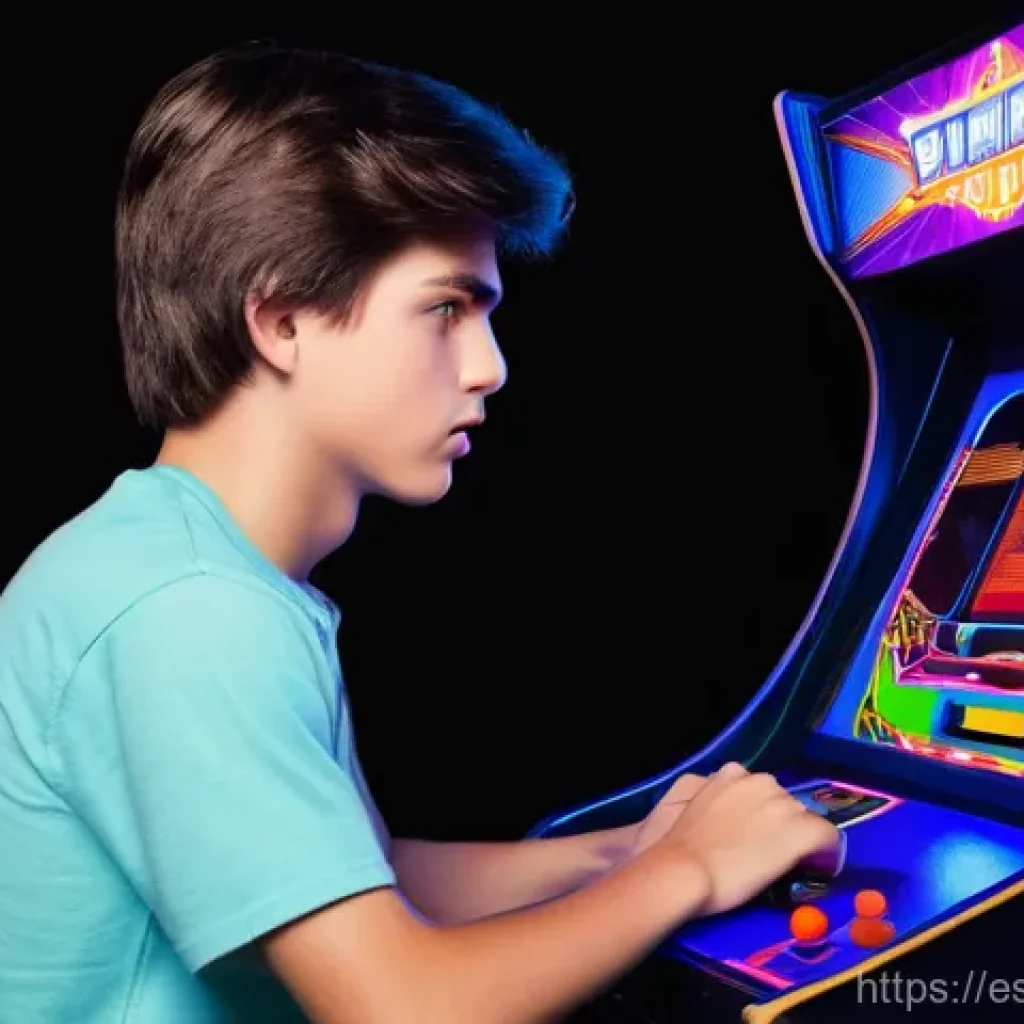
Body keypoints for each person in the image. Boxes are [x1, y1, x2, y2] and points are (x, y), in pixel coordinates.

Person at [0, 42, 840, 1023]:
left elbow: (356, 883)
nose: (489, 367)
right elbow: (398, 1005)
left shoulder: (188, 564)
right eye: (444, 308)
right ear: (280, 320)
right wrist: (689, 872)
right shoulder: (190, 612)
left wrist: (622, 853)